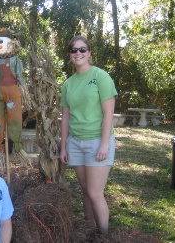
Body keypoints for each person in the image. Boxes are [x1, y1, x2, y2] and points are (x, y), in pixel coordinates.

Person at [59, 35, 117, 235]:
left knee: (95, 193)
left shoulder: (101, 77)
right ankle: (90, 229)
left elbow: (109, 113)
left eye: (82, 49)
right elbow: (65, 118)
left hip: (97, 142)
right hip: (75, 143)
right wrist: (63, 146)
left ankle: (104, 235)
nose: (78, 53)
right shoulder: (68, 84)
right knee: (85, 191)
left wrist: (104, 144)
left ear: (89, 53)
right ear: (70, 55)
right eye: (74, 50)